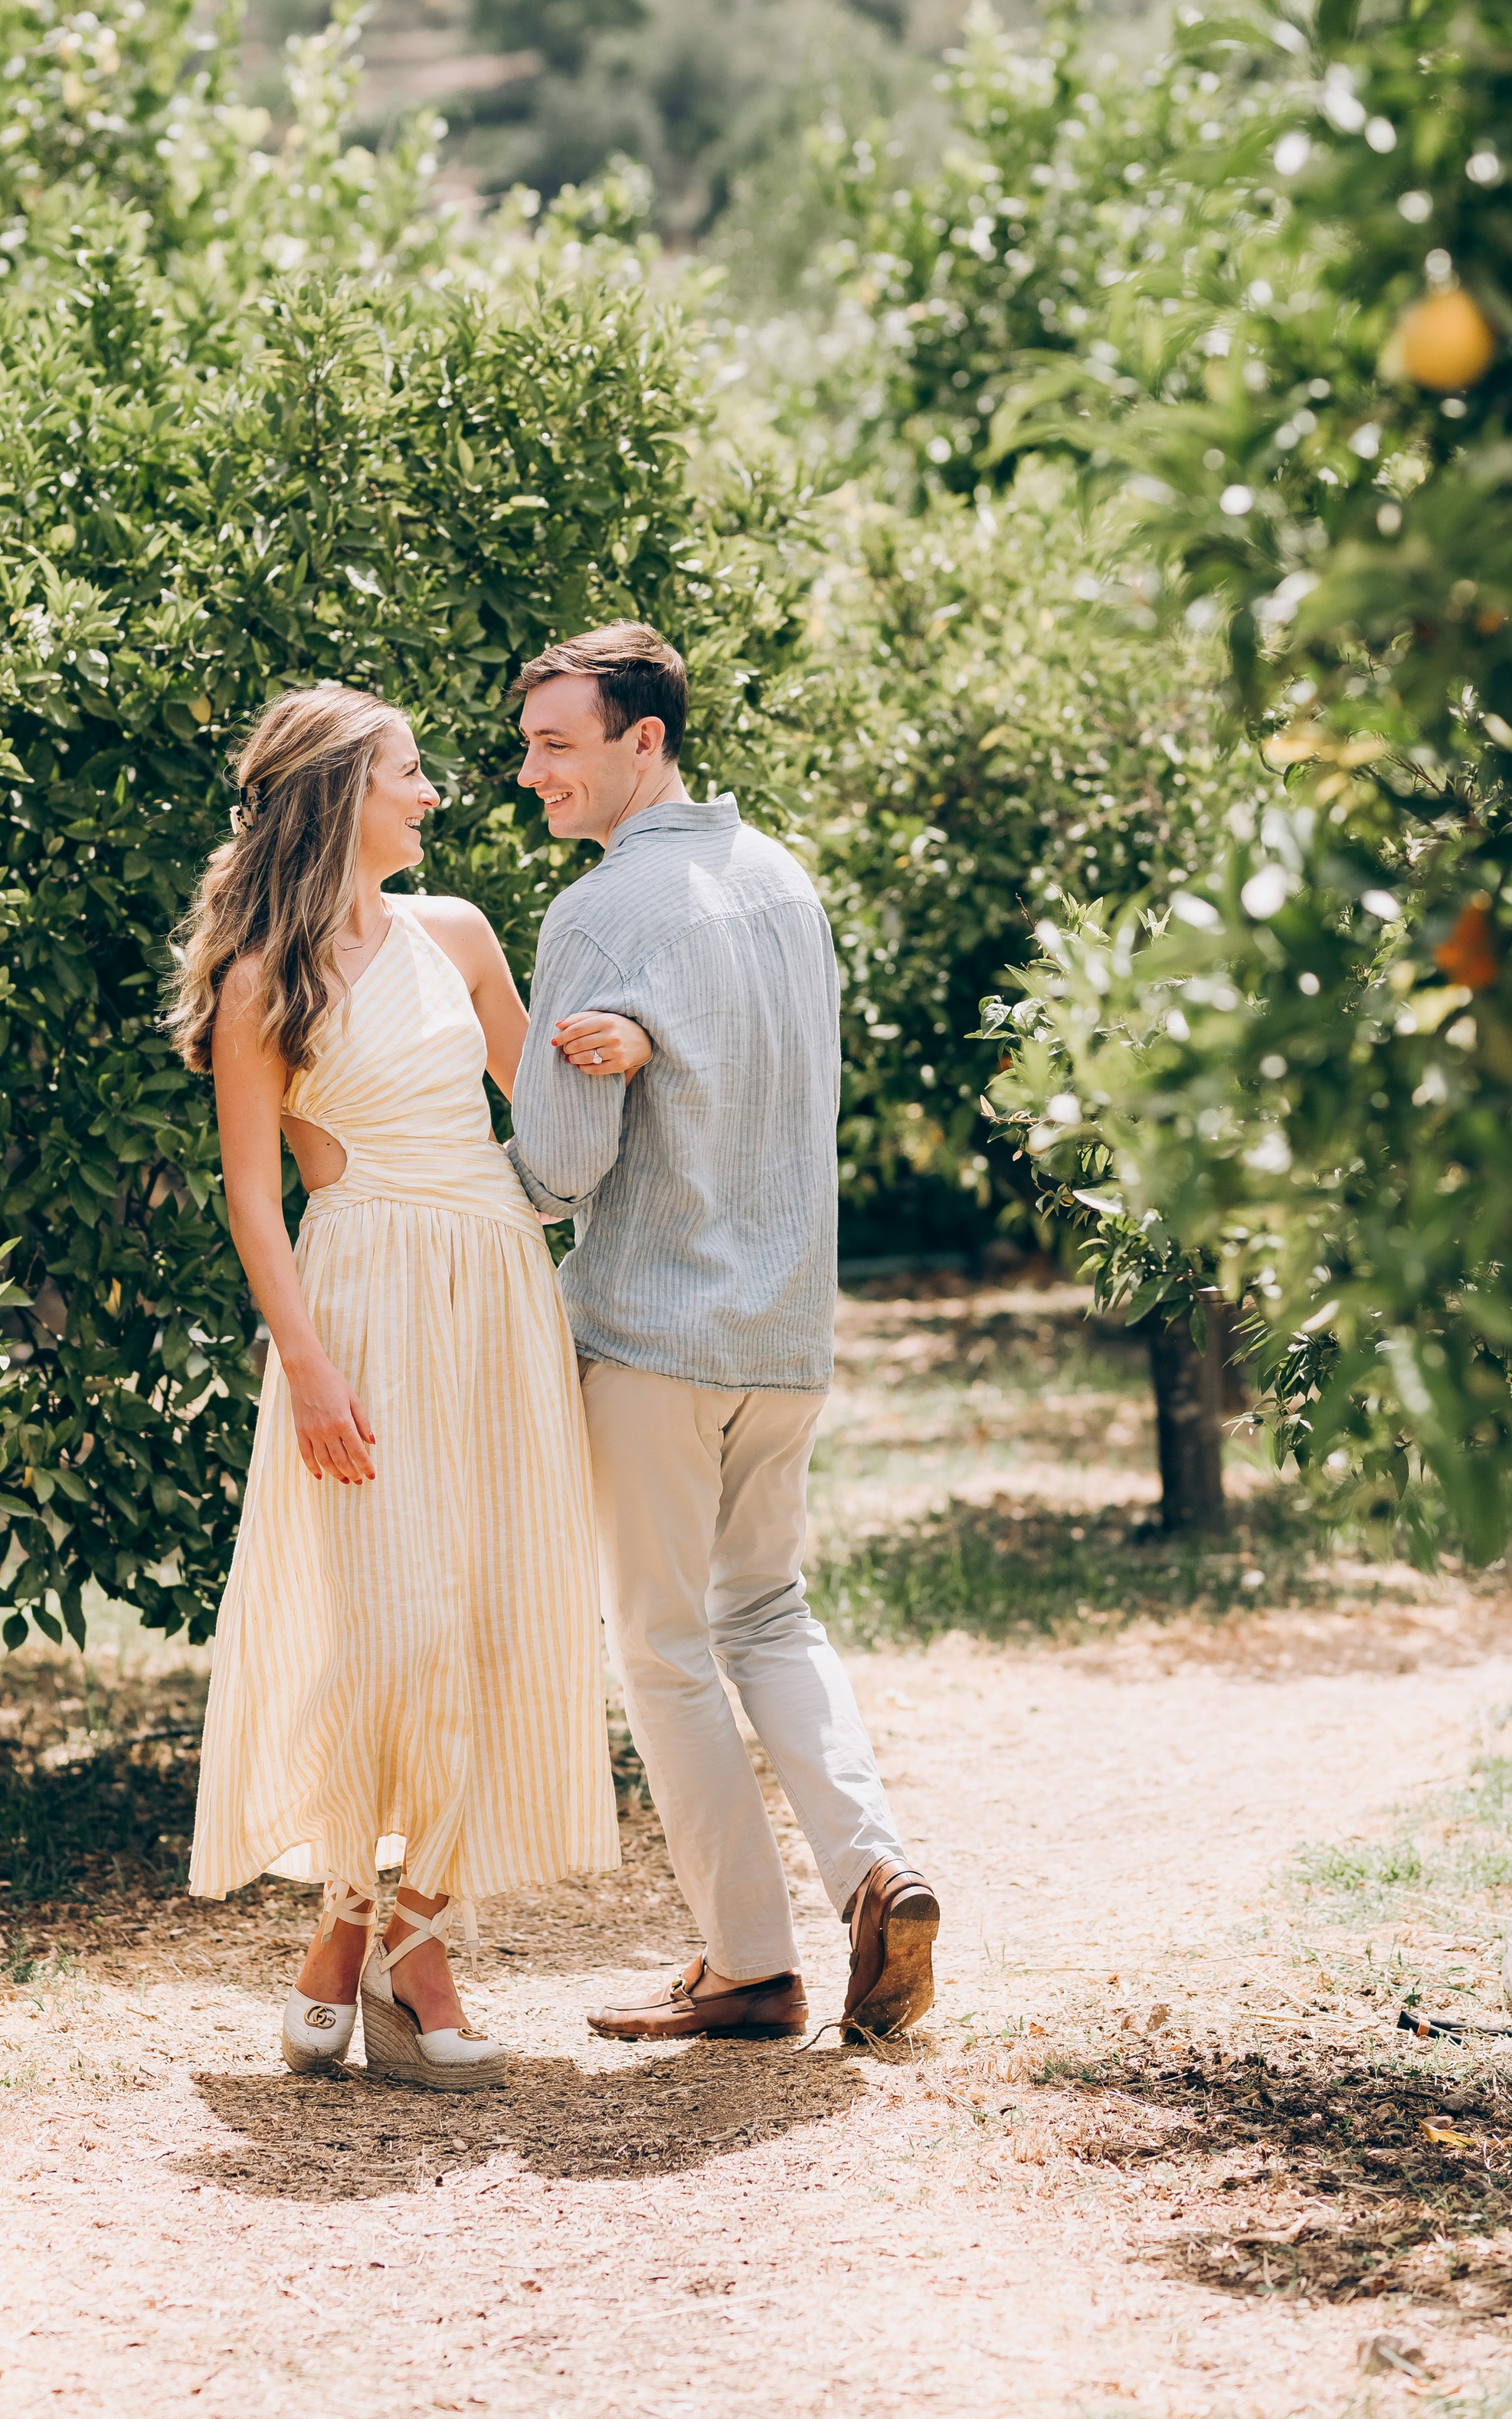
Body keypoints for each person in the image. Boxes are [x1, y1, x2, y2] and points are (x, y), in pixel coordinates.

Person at [171, 683, 646, 2090]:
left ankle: (361, 1948)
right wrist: (306, 1363)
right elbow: (255, 1201)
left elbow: (546, 1112)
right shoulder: (265, 978)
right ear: (339, 796)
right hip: (364, 1301)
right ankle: (406, 1960)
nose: (437, 794)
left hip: (496, 1287)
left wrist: (630, 1042)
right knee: (388, 1626)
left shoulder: (462, 934)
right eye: (410, 772)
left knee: (490, 1615)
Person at [508, 623, 940, 2043]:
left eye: (558, 745)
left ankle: (750, 1962)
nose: (532, 774)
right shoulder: (786, 883)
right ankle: (877, 1870)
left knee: (666, 1645)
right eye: (529, 744)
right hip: (789, 1331)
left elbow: (558, 1171)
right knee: (770, 1609)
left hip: (654, 1335)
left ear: (647, 741)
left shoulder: (599, 916)